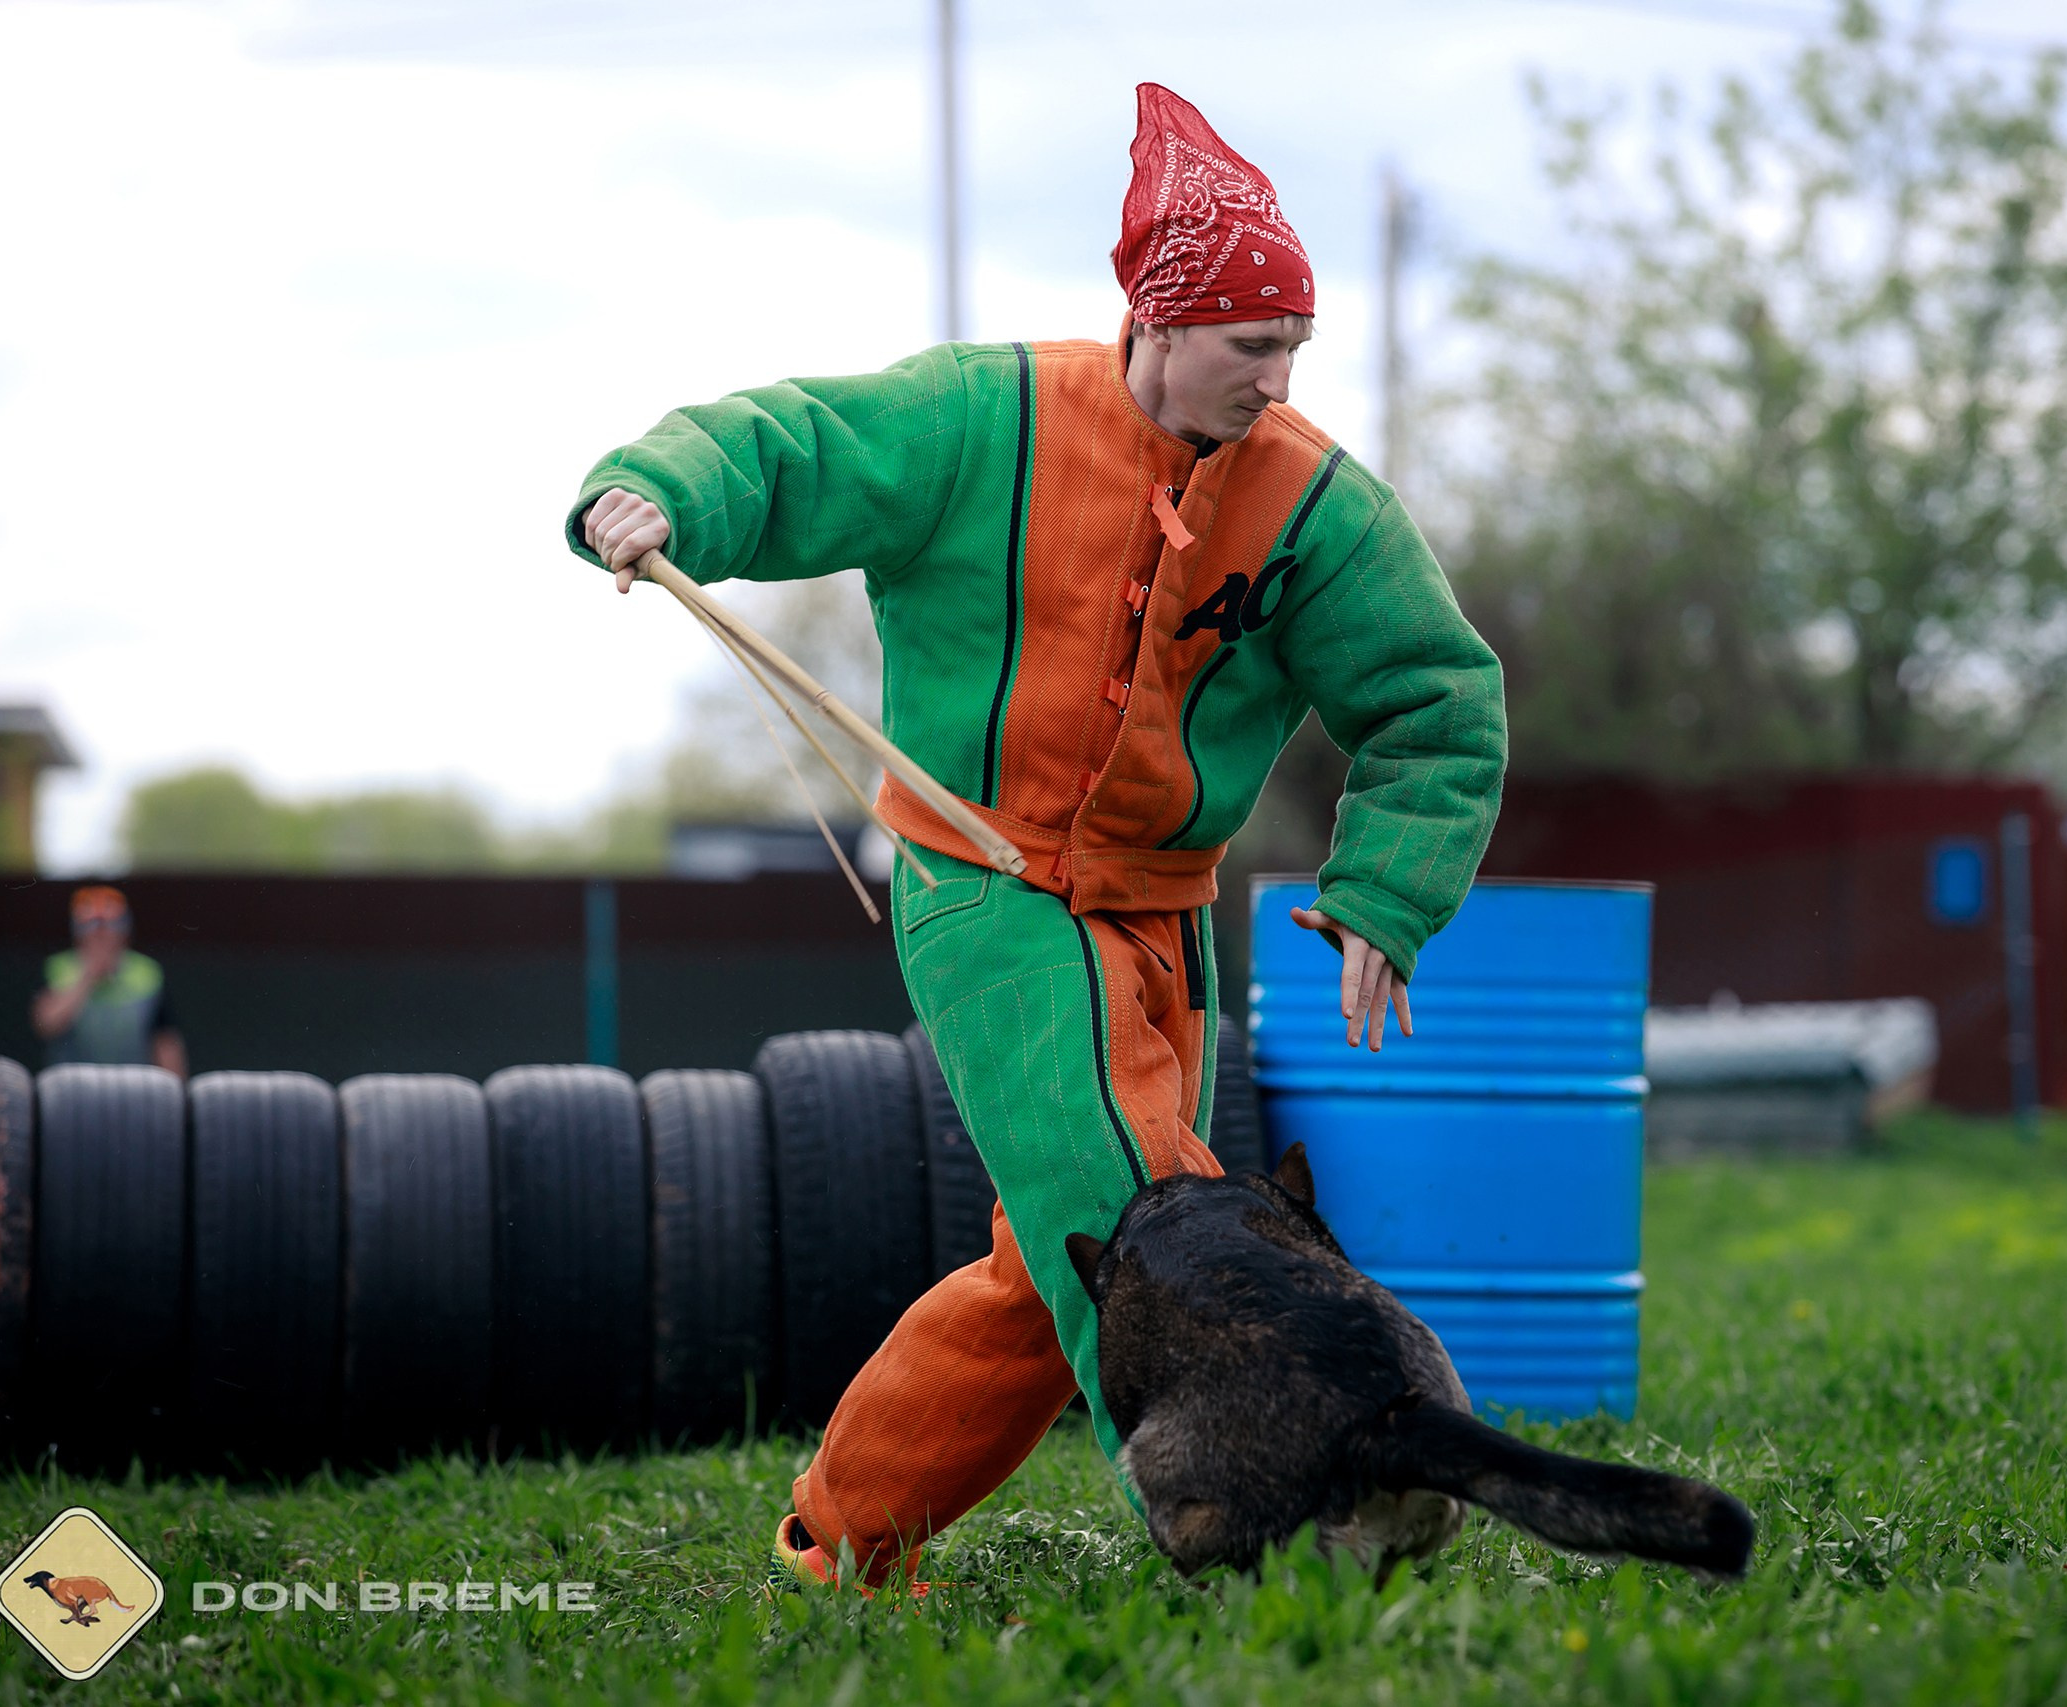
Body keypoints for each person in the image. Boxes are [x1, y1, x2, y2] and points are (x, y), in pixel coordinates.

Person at [566, 85, 1507, 1587]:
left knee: (1052, 1259)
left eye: (1292, 347)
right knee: (1142, 1204)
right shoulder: (980, 415)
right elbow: (795, 444)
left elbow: (1441, 694)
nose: (1275, 378)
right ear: (1153, 318)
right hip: (982, 882)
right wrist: (660, 488)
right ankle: (1251, 1525)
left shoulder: (1319, 507)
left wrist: (1386, 888)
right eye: (1247, 345)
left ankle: (838, 1538)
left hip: (1160, 912)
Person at [30, 886, 187, 1075]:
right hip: (73, 1088)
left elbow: (166, 1043)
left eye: (109, 927)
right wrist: (87, 978)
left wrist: (176, 1092)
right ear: (77, 934)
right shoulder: (58, 968)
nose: (101, 935)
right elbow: (46, 1024)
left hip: (134, 1087)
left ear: (124, 933)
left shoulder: (146, 973)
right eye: (91, 928)